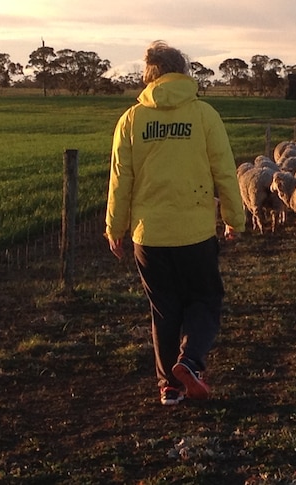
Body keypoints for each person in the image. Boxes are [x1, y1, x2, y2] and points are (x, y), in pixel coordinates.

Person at [105, 40, 245, 406]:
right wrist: (234, 219)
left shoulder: (131, 120)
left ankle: (170, 386)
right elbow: (225, 173)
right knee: (205, 299)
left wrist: (114, 229)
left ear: (149, 76)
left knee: (164, 309)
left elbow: (121, 180)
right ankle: (191, 362)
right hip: (195, 232)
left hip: (149, 236)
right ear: (182, 72)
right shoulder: (204, 115)